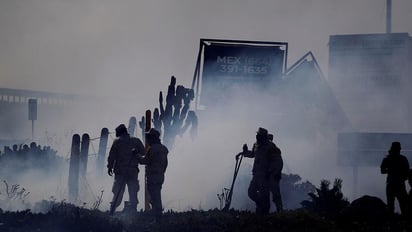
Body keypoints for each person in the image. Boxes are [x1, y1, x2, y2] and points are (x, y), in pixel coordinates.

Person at [236, 127, 280, 214]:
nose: (257, 137)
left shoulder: (270, 147)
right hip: (256, 174)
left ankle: (264, 214)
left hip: (265, 175)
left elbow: (276, 161)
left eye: (259, 135)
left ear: (263, 137)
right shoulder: (256, 145)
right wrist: (244, 152)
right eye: (257, 135)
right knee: (251, 192)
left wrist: (272, 172)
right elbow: (252, 154)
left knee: (265, 195)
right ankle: (260, 205)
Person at [107, 124, 145, 215]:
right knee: (133, 191)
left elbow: (112, 156)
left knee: (118, 192)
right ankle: (133, 210)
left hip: (120, 172)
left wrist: (110, 167)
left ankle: (112, 210)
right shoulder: (136, 141)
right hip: (132, 171)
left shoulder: (117, 142)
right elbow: (143, 152)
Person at [138, 128, 169, 220]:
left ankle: (158, 217)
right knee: (155, 195)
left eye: (149, 137)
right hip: (160, 175)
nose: (147, 139)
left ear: (153, 138)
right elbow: (165, 164)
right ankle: (156, 215)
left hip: (152, 176)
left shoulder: (152, 149)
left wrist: (136, 155)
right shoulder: (163, 149)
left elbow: (145, 161)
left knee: (155, 197)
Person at [380, 141, 410, 216]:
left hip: (391, 184)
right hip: (399, 184)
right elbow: (407, 172)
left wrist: (390, 171)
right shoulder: (403, 159)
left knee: (391, 206)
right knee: (404, 206)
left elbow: (382, 171)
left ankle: (392, 223)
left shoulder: (387, 158)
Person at [268, 133, 283, 212]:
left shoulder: (274, 149)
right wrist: (244, 153)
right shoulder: (261, 148)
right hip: (265, 175)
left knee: (276, 195)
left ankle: (279, 210)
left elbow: (279, 162)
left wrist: (277, 173)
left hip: (273, 175)